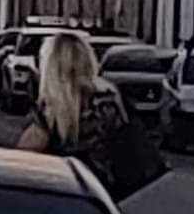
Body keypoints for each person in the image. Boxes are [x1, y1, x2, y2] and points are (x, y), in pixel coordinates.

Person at [17, 29, 126, 190]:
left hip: (64, 202)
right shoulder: (110, 105)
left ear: (51, 68)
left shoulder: (49, 116)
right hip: (106, 203)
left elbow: (18, 165)